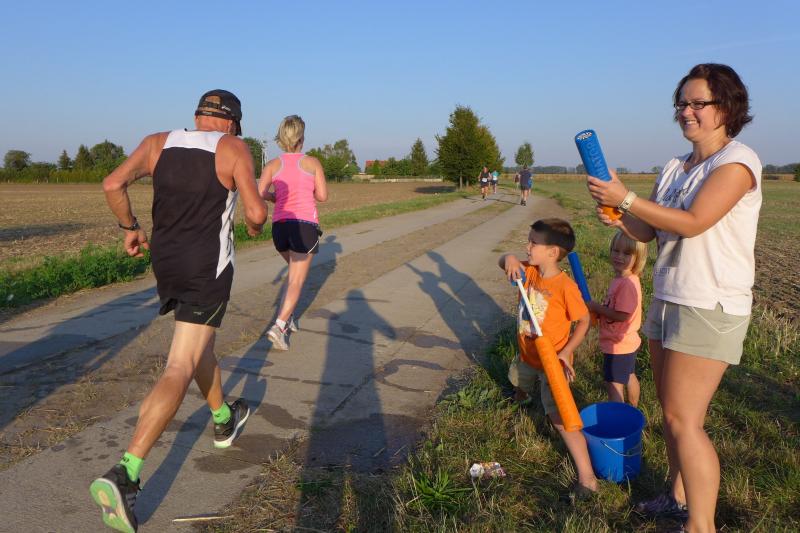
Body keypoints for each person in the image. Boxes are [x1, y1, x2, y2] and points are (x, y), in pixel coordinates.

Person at [587, 64, 761, 533]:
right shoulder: (674, 168)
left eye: (698, 103)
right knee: (670, 414)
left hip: (709, 303)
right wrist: (619, 214)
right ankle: (677, 496)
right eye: (681, 103)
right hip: (669, 297)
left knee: (685, 420)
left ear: (727, 107)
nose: (686, 111)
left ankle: (700, 526)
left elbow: (694, 222)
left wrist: (626, 198)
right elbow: (652, 230)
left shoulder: (737, 163)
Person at [90, 90, 268, 533]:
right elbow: (255, 212)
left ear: (198, 116)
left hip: (166, 261)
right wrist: (253, 224)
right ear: (232, 122)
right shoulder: (233, 147)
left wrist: (131, 228)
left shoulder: (158, 142)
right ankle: (127, 472)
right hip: (206, 267)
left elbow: (112, 184)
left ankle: (223, 419)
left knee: (199, 343)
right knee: (180, 364)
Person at [499, 218, 595, 501]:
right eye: (528, 241)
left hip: (553, 362)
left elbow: (584, 320)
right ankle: (522, 397)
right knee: (518, 378)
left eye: (533, 243)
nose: (527, 246)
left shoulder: (565, 287)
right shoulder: (528, 271)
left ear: (553, 252)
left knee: (560, 416)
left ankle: (588, 478)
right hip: (527, 355)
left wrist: (566, 352)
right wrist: (509, 258)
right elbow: (502, 261)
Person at [258, 115, 327, 351]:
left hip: (280, 228)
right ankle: (278, 326)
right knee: (297, 280)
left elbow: (260, 191)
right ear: (301, 138)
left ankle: (288, 317)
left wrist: (274, 197)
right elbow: (322, 196)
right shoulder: (312, 163)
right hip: (304, 227)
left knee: (293, 276)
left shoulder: (272, 165)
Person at [586, 230, 647, 407]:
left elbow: (622, 315)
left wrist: (597, 308)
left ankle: (618, 414)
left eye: (626, 253)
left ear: (638, 258)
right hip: (626, 342)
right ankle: (633, 408)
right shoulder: (622, 278)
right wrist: (602, 311)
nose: (619, 256)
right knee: (628, 375)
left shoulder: (627, 284)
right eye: (616, 250)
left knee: (614, 385)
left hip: (618, 344)